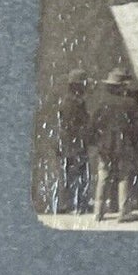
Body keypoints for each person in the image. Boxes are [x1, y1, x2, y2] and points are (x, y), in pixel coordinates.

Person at [91, 68, 138, 222]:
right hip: (124, 145)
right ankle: (123, 212)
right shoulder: (130, 103)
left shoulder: (102, 102)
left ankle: (98, 212)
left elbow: (93, 124)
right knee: (124, 177)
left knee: (103, 177)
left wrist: (99, 140)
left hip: (105, 146)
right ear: (122, 87)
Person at [54, 68, 92, 214]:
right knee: (78, 173)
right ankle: (75, 205)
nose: (85, 87)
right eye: (83, 84)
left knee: (71, 173)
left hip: (69, 143)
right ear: (77, 85)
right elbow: (76, 124)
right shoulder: (74, 102)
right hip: (74, 143)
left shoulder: (68, 100)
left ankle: (72, 204)